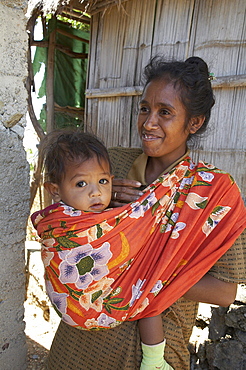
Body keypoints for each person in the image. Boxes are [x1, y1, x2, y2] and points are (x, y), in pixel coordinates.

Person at [42, 56, 246, 370]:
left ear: (194, 122)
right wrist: (106, 212)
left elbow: (224, 291)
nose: (149, 122)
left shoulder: (214, 193)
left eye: (165, 112)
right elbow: (61, 234)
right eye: (144, 108)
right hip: (79, 341)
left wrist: (136, 265)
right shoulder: (108, 167)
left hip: (150, 354)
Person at [33, 130, 171, 370]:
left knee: (148, 295)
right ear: (55, 189)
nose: (95, 192)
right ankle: (155, 360)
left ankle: (154, 361)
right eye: (81, 183)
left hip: (108, 313)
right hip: (77, 311)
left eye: (103, 181)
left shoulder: (116, 216)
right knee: (148, 291)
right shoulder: (58, 224)